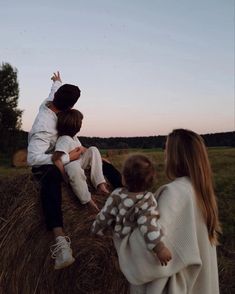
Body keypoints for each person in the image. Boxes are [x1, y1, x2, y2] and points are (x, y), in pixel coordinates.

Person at [27, 71, 122, 270]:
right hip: (47, 163)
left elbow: (55, 90)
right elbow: (33, 158)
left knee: (105, 163)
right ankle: (61, 243)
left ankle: (128, 197)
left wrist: (57, 81)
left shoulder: (54, 99)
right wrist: (68, 157)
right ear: (70, 107)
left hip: (69, 154)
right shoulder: (43, 126)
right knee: (51, 176)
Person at [114, 129, 221, 294]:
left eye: (167, 148)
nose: (164, 153)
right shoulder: (199, 191)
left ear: (177, 155)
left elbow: (147, 249)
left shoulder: (176, 193)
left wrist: (120, 227)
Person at [91, 154, 172, 267]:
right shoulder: (147, 199)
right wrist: (159, 247)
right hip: (137, 241)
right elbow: (148, 224)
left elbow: (105, 215)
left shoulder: (116, 194)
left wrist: (96, 229)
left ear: (123, 178)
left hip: (119, 237)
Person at [52, 108, 109, 212]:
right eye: (80, 122)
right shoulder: (63, 140)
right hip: (69, 166)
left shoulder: (74, 137)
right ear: (74, 125)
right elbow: (57, 160)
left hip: (80, 161)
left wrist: (100, 158)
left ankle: (100, 184)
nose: (81, 125)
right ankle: (87, 200)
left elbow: (83, 149)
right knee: (73, 167)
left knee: (93, 149)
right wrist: (64, 176)